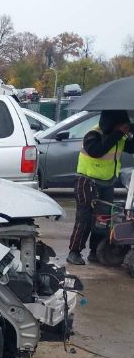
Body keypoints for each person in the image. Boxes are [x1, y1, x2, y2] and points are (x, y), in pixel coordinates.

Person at [67, 110, 134, 265]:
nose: (122, 128)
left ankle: (95, 251)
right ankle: (74, 252)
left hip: (107, 182)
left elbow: (131, 148)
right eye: (120, 125)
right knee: (84, 219)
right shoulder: (93, 134)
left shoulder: (119, 135)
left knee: (103, 220)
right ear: (112, 124)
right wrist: (118, 133)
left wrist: (129, 131)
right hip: (87, 181)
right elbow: (97, 151)